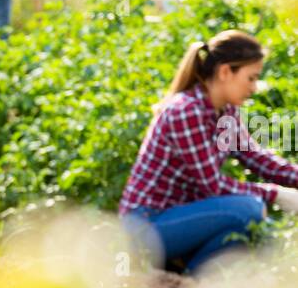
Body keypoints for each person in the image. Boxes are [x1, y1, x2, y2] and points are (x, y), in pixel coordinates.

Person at [119, 29, 298, 272]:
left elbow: (256, 158)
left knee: (247, 235)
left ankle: (186, 285)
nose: (254, 88)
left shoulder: (224, 112)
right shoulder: (186, 112)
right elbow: (212, 186)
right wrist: (276, 194)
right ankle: (173, 278)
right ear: (225, 71)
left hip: (180, 219)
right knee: (250, 210)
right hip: (146, 225)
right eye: (251, 78)